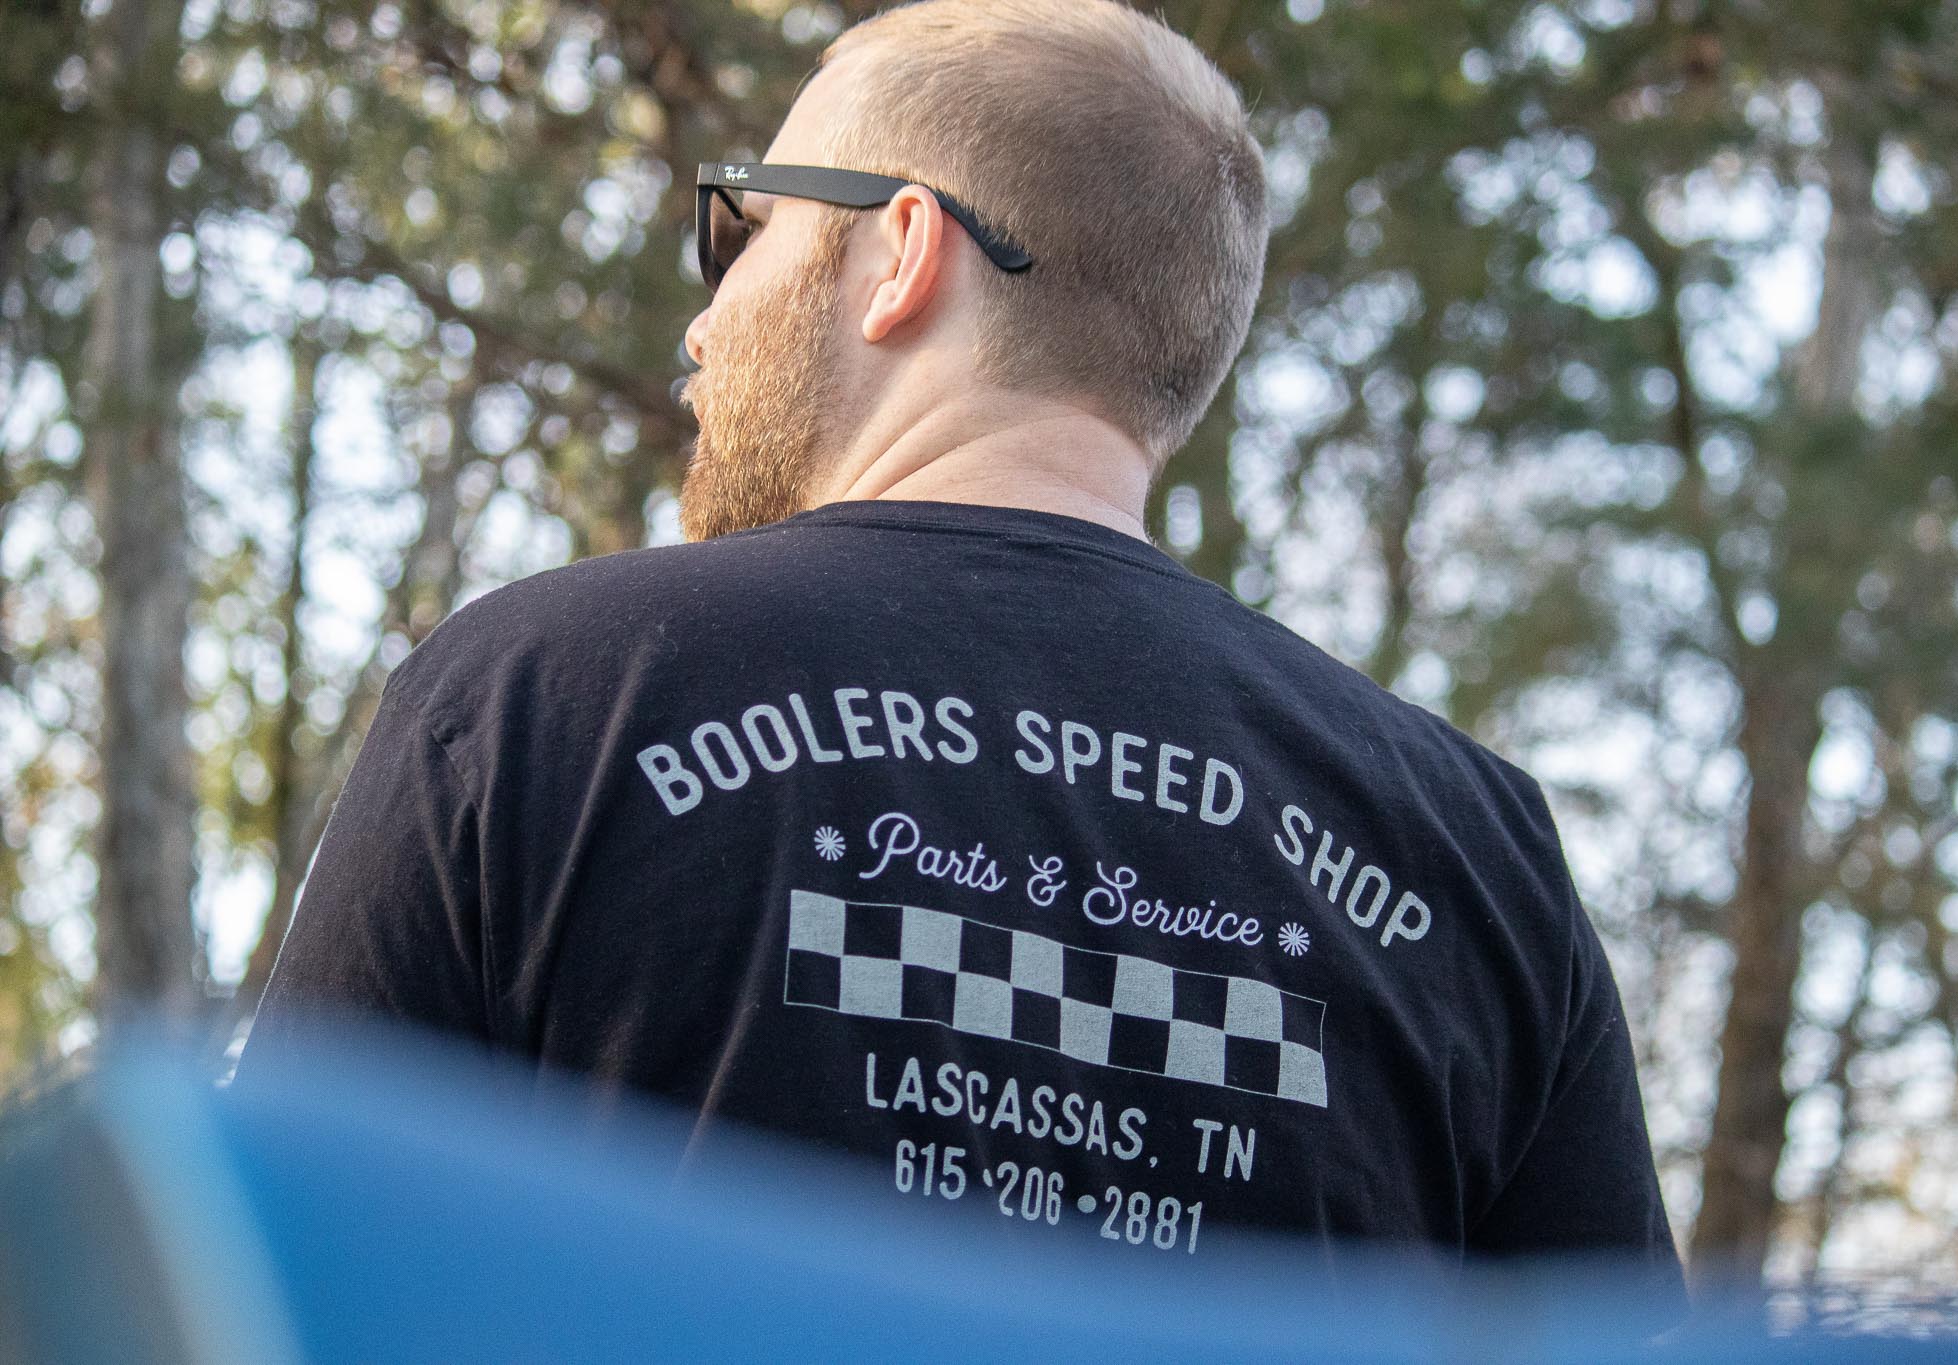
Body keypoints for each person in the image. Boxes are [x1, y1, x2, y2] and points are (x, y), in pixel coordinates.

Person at [240, 0, 1686, 1307]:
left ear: (903, 253)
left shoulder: (542, 698)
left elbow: (257, 1285)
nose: (705, 315)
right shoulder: (1475, 859)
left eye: (741, 232)